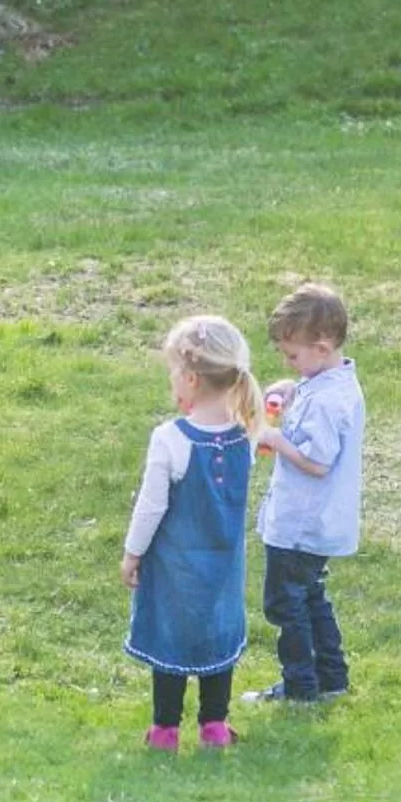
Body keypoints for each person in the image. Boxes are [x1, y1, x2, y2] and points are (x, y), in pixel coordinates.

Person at [122, 315, 262, 751]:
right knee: (217, 635)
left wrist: (132, 553)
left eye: (172, 374)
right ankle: (214, 726)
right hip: (223, 568)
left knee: (171, 638)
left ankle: (165, 729)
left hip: (176, 568)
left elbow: (151, 506)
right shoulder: (248, 435)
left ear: (191, 378)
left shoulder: (170, 439)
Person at [245, 282, 366, 705]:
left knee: (285, 604)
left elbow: (317, 462)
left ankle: (300, 687)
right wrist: (290, 389)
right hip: (318, 523)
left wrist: (273, 439)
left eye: (293, 355)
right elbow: (310, 394)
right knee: (312, 596)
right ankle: (332, 679)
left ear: (323, 345)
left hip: (301, 523)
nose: (287, 360)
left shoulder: (327, 401)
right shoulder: (333, 383)